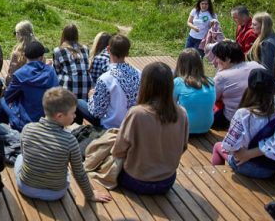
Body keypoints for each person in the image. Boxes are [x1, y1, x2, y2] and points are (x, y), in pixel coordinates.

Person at [15, 87, 112, 203]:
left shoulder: (27, 129)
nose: (75, 116)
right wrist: (90, 195)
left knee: (20, 157)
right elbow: (79, 173)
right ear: (60, 116)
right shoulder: (70, 140)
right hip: (55, 194)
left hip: (26, 188)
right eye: (73, 113)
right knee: (67, 172)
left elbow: (25, 155)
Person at [112, 62, 189, 195]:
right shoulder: (182, 113)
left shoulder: (137, 113)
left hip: (136, 180)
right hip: (167, 180)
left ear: (146, 85)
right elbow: (183, 147)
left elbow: (118, 151)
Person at [212, 68, 275, 179]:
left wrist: (239, 152)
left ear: (249, 89)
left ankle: (217, 179)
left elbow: (229, 145)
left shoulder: (243, 114)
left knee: (217, 146)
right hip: (271, 167)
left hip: (247, 166)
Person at [77, 34, 140, 129]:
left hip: (110, 126)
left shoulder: (105, 79)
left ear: (108, 49)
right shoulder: (140, 74)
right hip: (132, 125)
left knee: (78, 102)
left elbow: (97, 112)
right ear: (127, 53)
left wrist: (91, 98)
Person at [0, 40, 58, 131]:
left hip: (25, 123)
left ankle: (1, 132)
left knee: (2, 101)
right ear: (42, 57)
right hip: (48, 118)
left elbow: (8, 97)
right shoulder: (51, 72)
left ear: (25, 56)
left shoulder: (20, 74)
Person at [212, 40, 265, 128]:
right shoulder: (256, 65)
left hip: (232, 118)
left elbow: (212, 98)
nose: (216, 60)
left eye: (218, 57)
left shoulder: (222, 76)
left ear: (228, 59)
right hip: (259, 115)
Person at [173, 49, 216, 135]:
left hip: (185, 128)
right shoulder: (210, 81)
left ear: (180, 64)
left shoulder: (178, 82)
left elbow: (169, 105)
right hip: (207, 126)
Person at [52, 24, 91, 102]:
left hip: (69, 89)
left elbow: (56, 71)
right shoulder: (85, 49)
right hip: (85, 89)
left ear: (64, 35)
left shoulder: (58, 50)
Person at [248, 12, 275, 77]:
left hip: (266, 82)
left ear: (264, 26)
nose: (251, 27)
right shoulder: (272, 36)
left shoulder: (267, 44)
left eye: (254, 25)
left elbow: (266, 70)